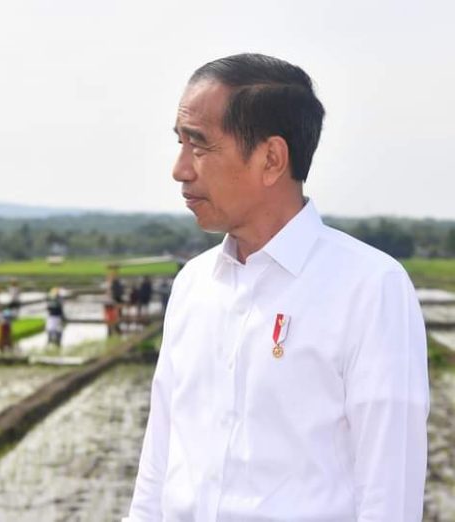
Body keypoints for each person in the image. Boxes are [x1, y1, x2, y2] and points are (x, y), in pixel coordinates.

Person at [125, 54, 429, 522]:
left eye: (199, 146)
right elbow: (159, 459)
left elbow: (389, 492)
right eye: (180, 144)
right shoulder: (193, 285)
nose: (180, 169)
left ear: (271, 159)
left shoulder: (370, 288)